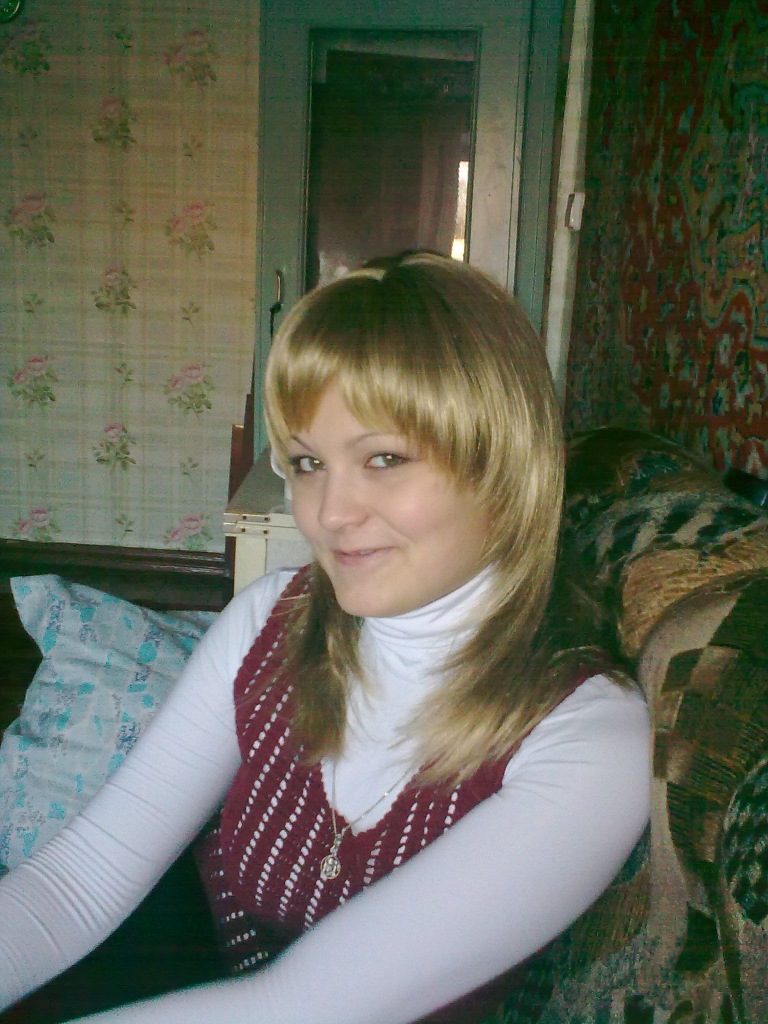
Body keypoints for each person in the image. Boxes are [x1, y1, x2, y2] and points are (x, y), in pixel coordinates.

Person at [0, 252, 649, 1023]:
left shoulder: (592, 739)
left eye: (384, 459)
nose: (329, 513)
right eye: (308, 463)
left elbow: (296, 1008)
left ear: (501, 464)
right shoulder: (271, 621)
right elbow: (78, 880)